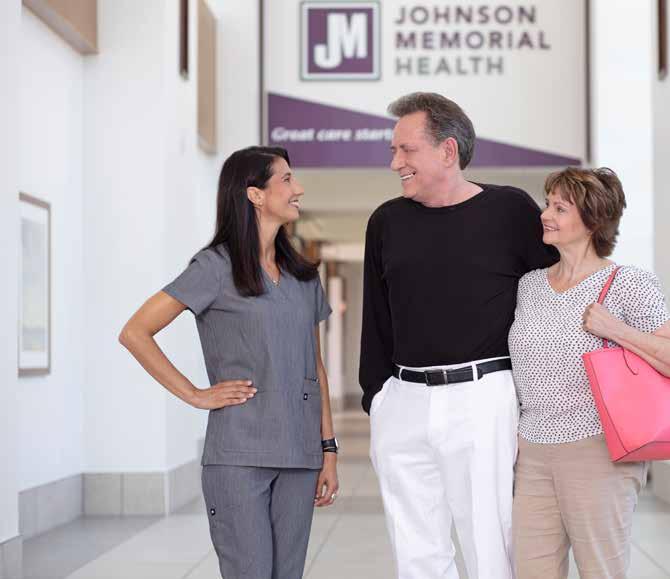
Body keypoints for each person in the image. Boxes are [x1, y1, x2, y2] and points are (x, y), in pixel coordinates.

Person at [359, 92, 558, 579]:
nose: (395, 163)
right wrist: (377, 399)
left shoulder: (510, 210)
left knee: (491, 545)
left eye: (406, 150)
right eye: (393, 151)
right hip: (403, 400)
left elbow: (552, 301)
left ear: (448, 151)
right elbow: (376, 316)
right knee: (415, 551)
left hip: (482, 397)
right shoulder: (386, 221)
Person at [119, 146, 339, 579]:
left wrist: (328, 449)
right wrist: (195, 394)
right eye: (287, 179)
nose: (298, 188)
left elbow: (315, 367)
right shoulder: (214, 268)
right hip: (239, 456)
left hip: (300, 455)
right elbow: (135, 332)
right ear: (255, 194)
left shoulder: (303, 277)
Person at [508, 166, 670, 579]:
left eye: (560, 208)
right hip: (532, 452)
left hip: (598, 451)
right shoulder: (529, 286)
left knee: (600, 571)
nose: (545, 214)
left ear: (593, 220)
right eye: (547, 204)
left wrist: (617, 330)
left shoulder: (629, 284)